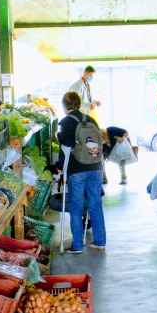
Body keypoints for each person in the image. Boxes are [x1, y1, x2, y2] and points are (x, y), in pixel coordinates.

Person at [57, 92, 106, 253]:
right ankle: (100, 241)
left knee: (76, 207)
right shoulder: (90, 120)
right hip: (96, 166)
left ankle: (77, 245)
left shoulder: (66, 122)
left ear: (64, 106)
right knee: (95, 204)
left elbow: (65, 148)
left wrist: (60, 167)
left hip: (77, 169)